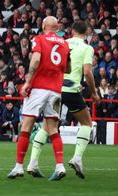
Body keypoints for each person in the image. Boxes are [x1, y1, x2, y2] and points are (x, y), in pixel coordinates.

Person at [27, 21, 101, 179]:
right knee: (86, 123)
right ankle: (77, 158)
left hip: (55, 88)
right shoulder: (87, 48)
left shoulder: (63, 43)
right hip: (71, 90)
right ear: (87, 32)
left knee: (47, 126)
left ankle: (32, 162)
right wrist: (94, 92)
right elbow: (87, 72)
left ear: (72, 30)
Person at [7, 16, 70, 181]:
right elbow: (68, 68)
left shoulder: (39, 39)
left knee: (26, 126)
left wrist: (28, 82)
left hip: (39, 88)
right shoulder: (65, 43)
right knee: (53, 129)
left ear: (43, 26)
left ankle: (19, 167)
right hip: (56, 90)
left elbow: (35, 61)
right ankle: (59, 166)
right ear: (57, 28)